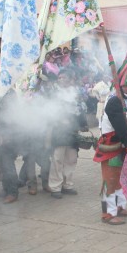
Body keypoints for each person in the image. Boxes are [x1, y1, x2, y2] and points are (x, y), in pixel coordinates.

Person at [93, 81, 127, 225]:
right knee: (110, 179)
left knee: (119, 178)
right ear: (119, 86)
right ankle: (108, 213)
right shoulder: (114, 101)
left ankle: (119, 206)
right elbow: (120, 126)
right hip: (111, 146)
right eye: (125, 86)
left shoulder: (125, 101)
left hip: (121, 145)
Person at [48, 70, 87, 199]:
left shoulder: (75, 94)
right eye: (59, 78)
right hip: (59, 131)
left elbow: (81, 110)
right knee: (57, 159)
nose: (61, 80)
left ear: (70, 80)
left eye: (64, 78)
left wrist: (83, 124)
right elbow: (48, 112)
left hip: (73, 131)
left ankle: (67, 185)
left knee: (71, 159)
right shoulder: (54, 94)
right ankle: (55, 187)